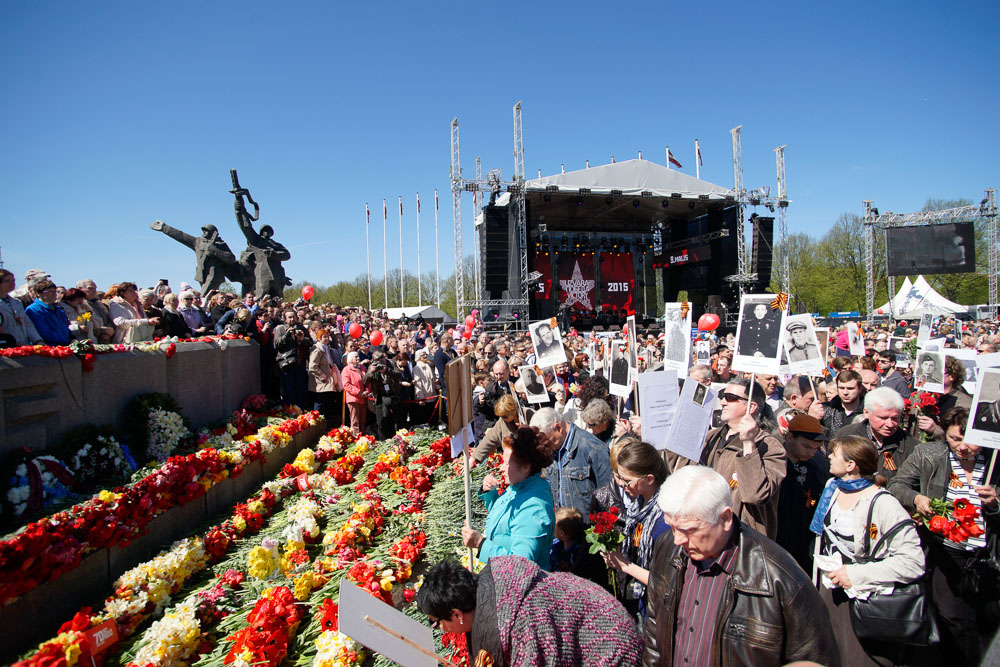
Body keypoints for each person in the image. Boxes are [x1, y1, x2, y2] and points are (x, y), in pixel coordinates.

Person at [643, 465, 839, 666]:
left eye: (689, 530)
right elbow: (655, 629)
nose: (678, 539)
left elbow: (814, 659)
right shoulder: (668, 547)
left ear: (725, 518)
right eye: (673, 527)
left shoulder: (780, 578)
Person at [888, 407, 1000, 664]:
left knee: (986, 620)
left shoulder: (995, 461)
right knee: (953, 619)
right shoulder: (931, 454)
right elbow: (897, 484)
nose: (961, 447)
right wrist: (916, 498)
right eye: (954, 439)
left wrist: (995, 504)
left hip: (986, 555)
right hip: (946, 551)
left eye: (967, 440)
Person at [811, 435, 925, 665]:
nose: (829, 457)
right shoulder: (831, 489)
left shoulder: (884, 503)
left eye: (835, 453)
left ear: (851, 464)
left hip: (867, 601)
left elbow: (913, 561)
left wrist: (854, 574)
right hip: (830, 594)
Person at [418, 557, 643, 667]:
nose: (438, 629)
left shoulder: (522, 627)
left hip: (613, 652)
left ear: (457, 614)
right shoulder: (494, 591)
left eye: (436, 622)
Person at [675, 377, 787, 539]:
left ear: (751, 406)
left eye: (731, 398)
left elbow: (754, 495)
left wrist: (749, 444)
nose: (723, 402)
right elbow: (679, 475)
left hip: (741, 541)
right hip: (702, 533)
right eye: (723, 396)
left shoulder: (769, 447)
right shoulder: (709, 437)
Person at [462, 427, 555, 568]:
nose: (501, 468)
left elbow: (521, 565)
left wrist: (480, 543)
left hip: (519, 586)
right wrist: (490, 493)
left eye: (506, 463)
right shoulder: (520, 486)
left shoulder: (533, 508)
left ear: (525, 467)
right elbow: (505, 521)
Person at [602, 441, 671, 622]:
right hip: (640, 602)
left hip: (657, 611)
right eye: (619, 477)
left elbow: (665, 582)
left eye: (627, 480)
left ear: (649, 479)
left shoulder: (665, 520)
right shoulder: (638, 506)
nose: (622, 485)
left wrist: (624, 564)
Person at [530, 407, 612, 521]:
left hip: (585, 532)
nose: (544, 446)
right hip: (559, 529)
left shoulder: (593, 449)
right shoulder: (550, 449)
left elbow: (608, 498)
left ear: (558, 428)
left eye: (548, 440)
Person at [775, 412, 830, 572]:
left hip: (803, 542)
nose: (811, 453)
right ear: (790, 437)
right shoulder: (776, 463)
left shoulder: (816, 465)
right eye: (806, 446)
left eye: (816, 448)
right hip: (779, 538)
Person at [835, 387, 916, 481]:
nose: (890, 424)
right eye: (883, 418)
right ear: (866, 413)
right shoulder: (846, 435)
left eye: (895, 418)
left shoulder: (911, 446)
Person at [471, 395, 521, 464]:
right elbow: (490, 438)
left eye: (505, 417)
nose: (502, 419)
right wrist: (474, 458)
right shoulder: (502, 422)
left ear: (513, 411)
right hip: (512, 463)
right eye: (501, 417)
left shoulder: (528, 415)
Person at [308, 328, 342, 426]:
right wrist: (322, 377)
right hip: (321, 382)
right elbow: (312, 366)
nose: (327, 339)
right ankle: (316, 425)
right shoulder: (317, 350)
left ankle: (323, 424)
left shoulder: (326, 348)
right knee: (320, 404)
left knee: (326, 403)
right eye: (324, 337)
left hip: (327, 381)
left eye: (327, 336)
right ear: (319, 338)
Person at [0, 269, 43, 346]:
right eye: (7, 281)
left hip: (24, 344)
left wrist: (37, 340)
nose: (12, 283)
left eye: (13, 280)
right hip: (6, 345)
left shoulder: (17, 303)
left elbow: (27, 324)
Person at [25, 278, 71, 345]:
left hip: (65, 347)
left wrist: (72, 338)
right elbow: (43, 332)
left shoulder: (59, 310)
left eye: (54, 291)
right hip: (47, 349)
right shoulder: (33, 310)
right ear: (38, 294)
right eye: (49, 292)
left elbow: (66, 328)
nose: (54, 294)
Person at [822, 369, 866, 435]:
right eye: (841, 388)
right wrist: (814, 419)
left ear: (860, 389)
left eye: (850, 388)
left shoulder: (868, 411)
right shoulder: (825, 409)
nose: (845, 392)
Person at [341, 351, 368, 435]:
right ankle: (356, 439)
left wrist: (368, 390)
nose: (358, 358)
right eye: (355, 357)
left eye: (358, 357)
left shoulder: (362, 368)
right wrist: (358, 392)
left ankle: (363, 438)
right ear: (350, 359)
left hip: (364, 397)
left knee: (363, 420)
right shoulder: (346, 370)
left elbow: (368, 380)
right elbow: (346, 384)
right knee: (355, 421)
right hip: (354, 398)